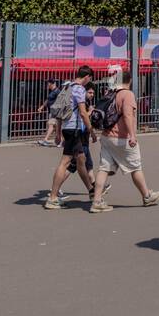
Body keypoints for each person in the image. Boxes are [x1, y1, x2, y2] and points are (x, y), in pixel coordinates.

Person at [90, 69, 159, 213]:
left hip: (106, 136)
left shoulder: (111, 93)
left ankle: (97, 201)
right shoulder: (127, 95)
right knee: (135, 167)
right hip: (121, 138)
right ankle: (147, 196)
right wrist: (132, 135)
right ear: (130, 80)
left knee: (104, 168)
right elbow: (128, 115)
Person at [44, 66, 97, 209]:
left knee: (81, 160)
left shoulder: (67, 86)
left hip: (68, 127)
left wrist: (59, 133)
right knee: (65, 162)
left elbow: (61, 111)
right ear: (87, 76)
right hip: (74, 129)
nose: (89, 82)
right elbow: (83, 113)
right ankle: (53, 197)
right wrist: (91, 131)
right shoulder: (79, 89)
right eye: (90, 78)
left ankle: (92, 191)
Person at [36, 79, 62, 147]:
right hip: (52, 111)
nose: (47, 85)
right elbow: (48, 100)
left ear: (51, 84)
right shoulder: (52, 91)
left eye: (48, 83)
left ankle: (47, 140)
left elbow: (61, 100)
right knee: (54, 126)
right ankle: (57, 141)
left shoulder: (57, 91)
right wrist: (41, 107)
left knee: (52, 125)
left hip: (56, 112)